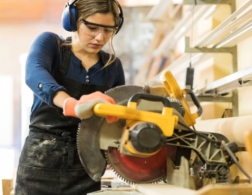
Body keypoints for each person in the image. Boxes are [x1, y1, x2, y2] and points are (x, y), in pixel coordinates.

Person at [15, 0, 125, 194]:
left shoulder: (113, 66)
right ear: (73, 21)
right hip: (39, 163)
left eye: (108, 31)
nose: (100, 37)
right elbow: (34, 73)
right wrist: (71, 104)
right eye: (92, 28)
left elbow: (117, 120)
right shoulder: (52, 45)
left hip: (87, 168)